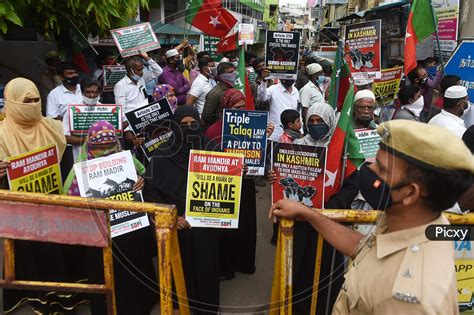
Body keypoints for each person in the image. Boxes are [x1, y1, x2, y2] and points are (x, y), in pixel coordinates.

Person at [270, 119, 473, 314]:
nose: (368, 171)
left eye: (381, 169)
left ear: (410, 193)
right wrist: (308, 213)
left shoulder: (408, 297)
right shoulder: (414, 222)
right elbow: (366, 248)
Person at [0, 78, 80, 314]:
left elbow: (66, 166)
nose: (33, 105)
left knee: (56, 252)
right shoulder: (1, 133)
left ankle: (62, 295)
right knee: (28, 253)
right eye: (27, 101)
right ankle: (32, 293)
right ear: (12, 102)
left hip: (54, 202)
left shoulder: (53, 127)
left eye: (37, 100)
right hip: (20, 210)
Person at [63, 120, 156, 315]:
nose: (106, 151)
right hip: (100, 235)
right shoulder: (79, 169)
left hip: (130, 228)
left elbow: (145, 176)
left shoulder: (127, 159)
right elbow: (68, 201)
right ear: (90, 145)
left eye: (110, 146)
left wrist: (141, 182)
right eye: (100, 148)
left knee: (135, 269)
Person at [143, 106, 221, 314]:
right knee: (180, 266)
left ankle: (207, 305)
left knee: (206, 265)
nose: (188, 129)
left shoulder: (211, 148)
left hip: (206, 223)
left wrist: (237, 171)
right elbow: (152, 192)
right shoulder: (161, 155)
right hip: (176, 224)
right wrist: (172, 217)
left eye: (193, 124)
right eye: (183, 125)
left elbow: (226, 183)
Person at [204, 89, 260, 278]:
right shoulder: (213, 131)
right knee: (226, 227)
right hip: (224, 185)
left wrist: (263, 135)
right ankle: (225, 265)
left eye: (244, 107)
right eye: (237, 107)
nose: (242, 111)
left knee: (245, 225)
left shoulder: (253, 126)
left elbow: (258, 155)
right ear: (226, 108)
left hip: (246, 183)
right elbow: (209, 163)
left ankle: (243, 262)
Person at [257, 72, 300, 141]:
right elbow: (262, 97)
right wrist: (264, 81)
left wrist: (301, 130)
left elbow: (297, 111)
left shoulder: (296, 91)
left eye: (290, 75)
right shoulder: (273, 89)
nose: (288, 77)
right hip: (275, 133)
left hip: (292, 135)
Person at [201, 61, 236, 128]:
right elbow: (206, 117)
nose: (233, 74)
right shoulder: (214, 94)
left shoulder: (235, 89)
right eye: (230, 73)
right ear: (221, 75)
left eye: (233, 72)